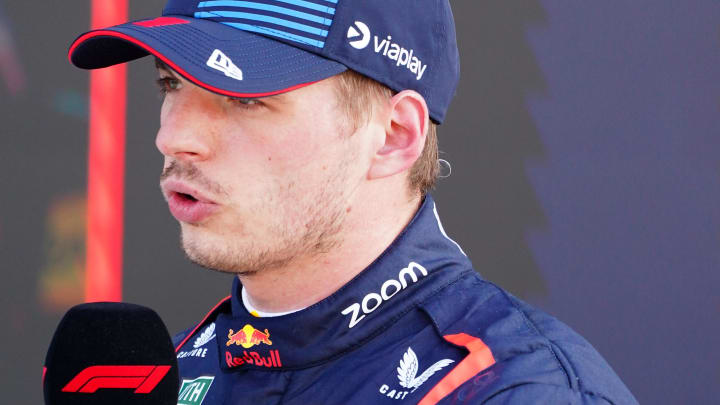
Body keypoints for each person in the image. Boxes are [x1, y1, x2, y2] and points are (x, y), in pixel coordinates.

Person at [68, 0, 638, 403]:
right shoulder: (169, 375)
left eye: (243, 98)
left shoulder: (516, 390)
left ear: (394, 137)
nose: (173, 138)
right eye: (171, 83)